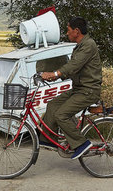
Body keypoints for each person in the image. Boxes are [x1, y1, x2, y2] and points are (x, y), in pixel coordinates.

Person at [39, 17, 102, 160]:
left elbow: (74, 66)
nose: (67, 34)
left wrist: (54, 74)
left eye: (68, 30)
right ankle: (48, 139)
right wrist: (48, 74)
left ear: (76, 31)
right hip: (78, 89)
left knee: (61, 115)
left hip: (88, 90)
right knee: (53, 104)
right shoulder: (79, 46)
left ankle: (81, 144)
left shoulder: (88, 45)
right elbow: (71, 68)